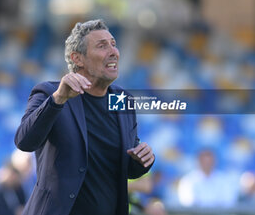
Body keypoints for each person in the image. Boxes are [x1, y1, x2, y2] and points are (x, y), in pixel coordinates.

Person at [14, 19, 155, 215]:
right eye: (102, 46)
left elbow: (127, 166)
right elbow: (24, 141)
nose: (113, 51)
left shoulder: (122, 99)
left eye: (113, 44)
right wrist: (58, 99)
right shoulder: (50, 92)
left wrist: (142, 160)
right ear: (78, 58)